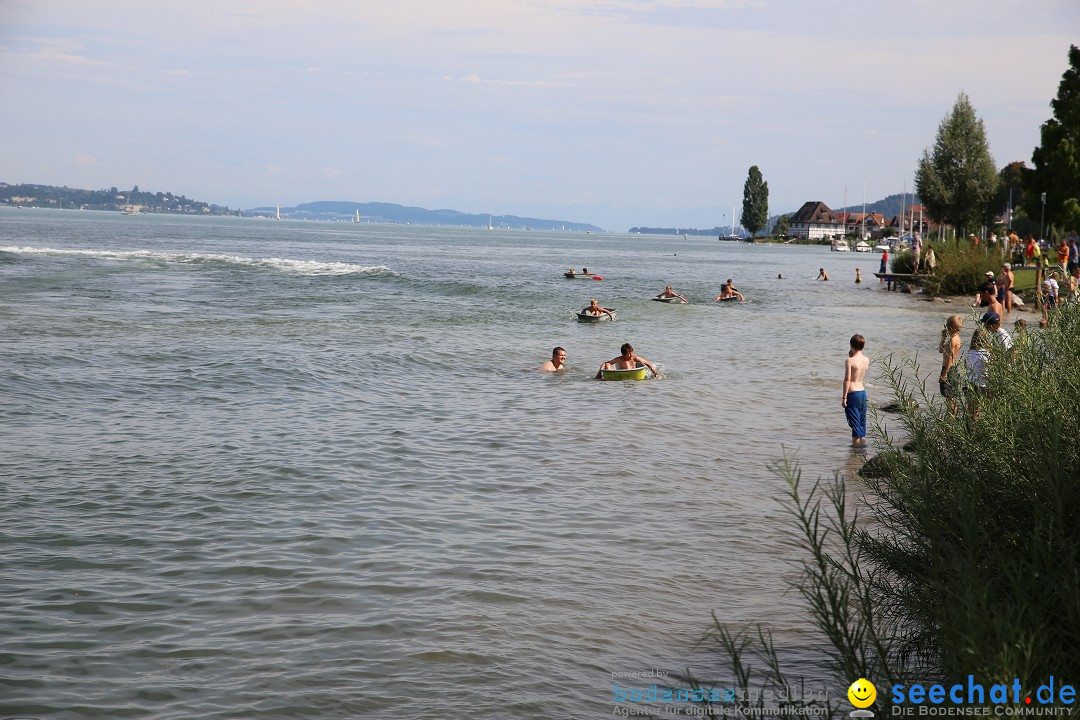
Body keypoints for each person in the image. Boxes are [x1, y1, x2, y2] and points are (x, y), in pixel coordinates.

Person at [842, 334, 869, 447]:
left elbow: (848, 379)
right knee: (861, 422)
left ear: (851, 345)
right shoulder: (866, 360)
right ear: (863, 345)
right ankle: (861, 448)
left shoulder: (850, 361)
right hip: (862, 393)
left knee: (855, 423)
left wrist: (844, 398)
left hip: (852, 393)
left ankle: (856, 453)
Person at [938, 315, 964, 414]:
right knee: (950, 398)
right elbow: (941, 350)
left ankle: (951, 421)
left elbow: (950, 358)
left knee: (950, 399)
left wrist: (945, 373)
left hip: (949, 369)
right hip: (951, 369)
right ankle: (951, 420)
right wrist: (943, 337)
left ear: (949, 327)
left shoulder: (953, 340)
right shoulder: (953, 338)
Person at [964, 329, 992, 418]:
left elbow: (966, 367)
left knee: (970, 411)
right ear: (986, 340)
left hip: (969, 383)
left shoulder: (968, 353)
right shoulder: (986, 354)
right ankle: (975, 429)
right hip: (981, 385)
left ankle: (969, 429)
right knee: (978, 410)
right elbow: (990, 371)